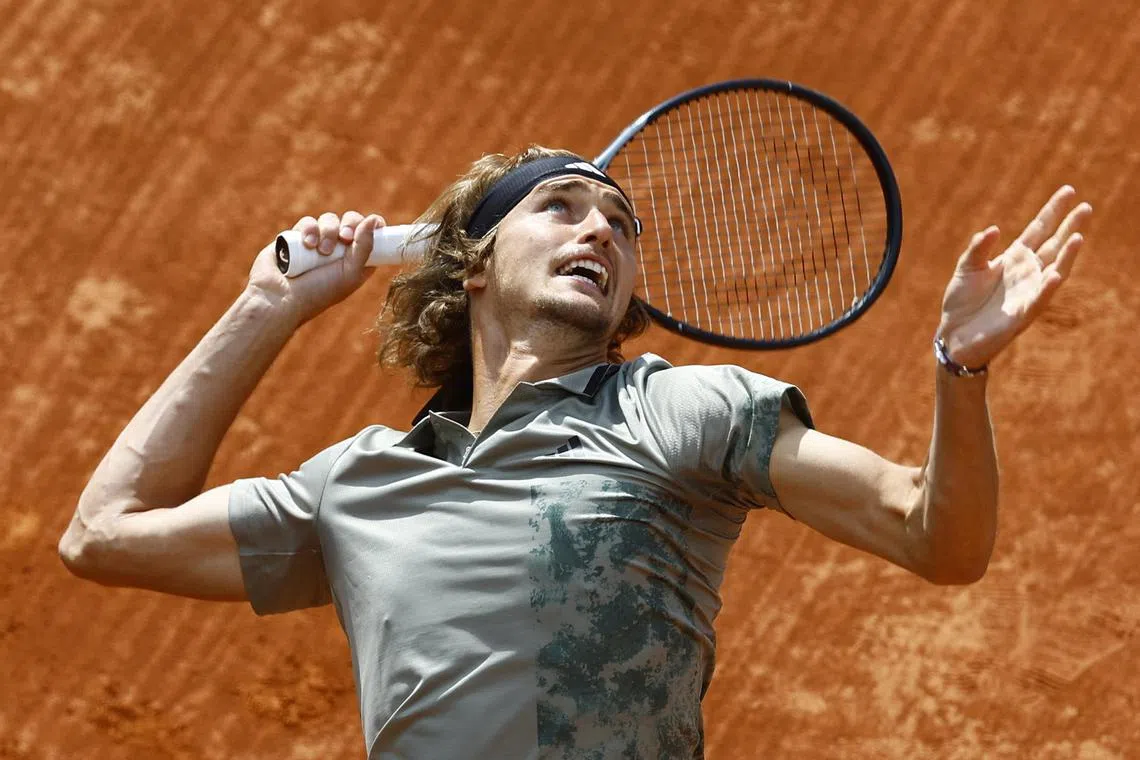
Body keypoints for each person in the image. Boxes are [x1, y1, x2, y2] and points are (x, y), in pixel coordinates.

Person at [58, 145, 1092, 759]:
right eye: (560, 206)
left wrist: (960, 369)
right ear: (469, 265)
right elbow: (102, 535)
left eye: (620, 222)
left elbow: (935, 537)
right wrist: (268, 304)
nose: (600, 229)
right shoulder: (359, 483)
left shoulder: (677, 412)